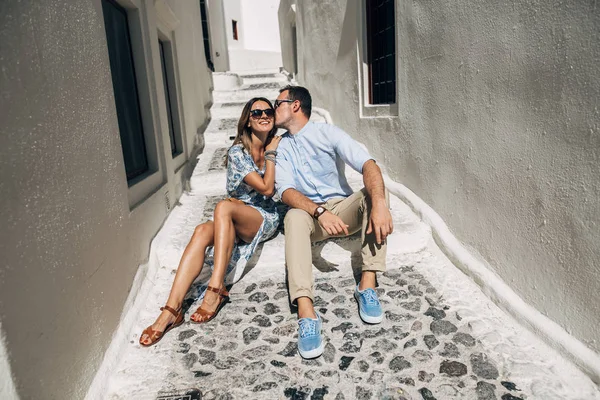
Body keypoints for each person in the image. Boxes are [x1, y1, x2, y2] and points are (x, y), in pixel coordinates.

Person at [140, 97, 282, 347]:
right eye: (256, 112)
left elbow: (268, 191)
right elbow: (261, 186)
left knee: (224, 207)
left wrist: (271, 152)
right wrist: (271, 153)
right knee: (202, 230)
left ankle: (215, 290)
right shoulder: (238, 152)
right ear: (247, 121)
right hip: (236, 216)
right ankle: (171, 310)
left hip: (265, 217)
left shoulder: (281, 145)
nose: (263, 115)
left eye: (268, 111)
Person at [274, 85, 394, 359]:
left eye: (277, 102)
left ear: (295, 105)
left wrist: (379, 205)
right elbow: (286, 191)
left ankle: (367, 284)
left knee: (376, 193)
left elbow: (368, 165)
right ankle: (306, 313)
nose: (273, 107)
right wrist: (318, 212)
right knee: (293, 216)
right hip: (310, 216)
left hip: (342, 209)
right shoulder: (281, 146)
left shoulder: (327, 132)